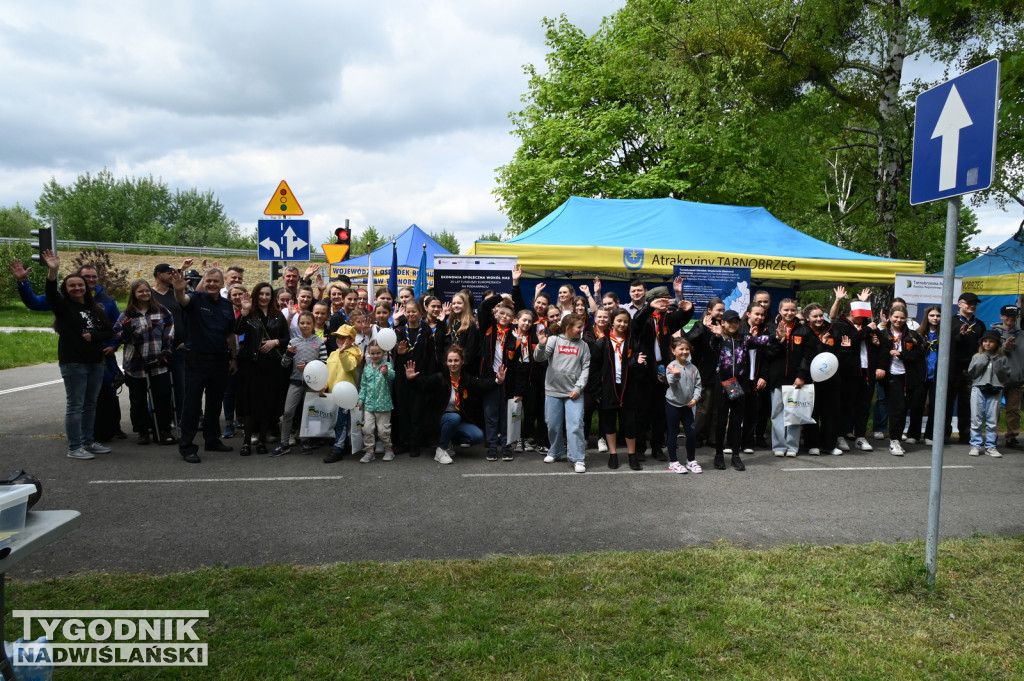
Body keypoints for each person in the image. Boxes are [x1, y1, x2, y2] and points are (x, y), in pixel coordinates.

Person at [41, 249, 114, 460]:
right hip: (74, 363)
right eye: (72, 285)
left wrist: (94, 335)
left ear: (86, 288)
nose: (77, 288)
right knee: (76, 405)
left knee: (91, 404)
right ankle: (74, 447)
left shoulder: (94, 308)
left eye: (80, 285)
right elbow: (50, 294)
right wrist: (53, 271)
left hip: (95, 362)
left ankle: (88, 442)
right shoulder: (63, 307)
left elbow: (109, 330)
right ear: (67, 288)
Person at [172, 266, 238, 463]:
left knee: (214, 404)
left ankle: (212, 440)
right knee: (191, 405)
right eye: (208, 280)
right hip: (197, 361)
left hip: (220, 361)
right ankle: (187, 446)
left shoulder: (227, 305)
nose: (211, 284)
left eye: (215, 281)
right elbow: (181, 300)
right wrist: (178, 289)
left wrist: (234, 358)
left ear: (221, 283)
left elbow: (230, 335)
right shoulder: (195, 299)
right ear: (204, 281)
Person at [111, 279, 176, 446]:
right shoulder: (127, 315)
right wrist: (125, 333)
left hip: (158, 361)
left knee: (162, 397)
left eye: (147, 291)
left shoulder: (161, 311)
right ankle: (142, 430)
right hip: (136, 364)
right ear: (134, 294)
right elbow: (116, 335)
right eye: (140, 291)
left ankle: (163, 429)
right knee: (138, 399)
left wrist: (166, 351)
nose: (145, 294)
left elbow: (169, 330)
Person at [407, 345, 496, 464]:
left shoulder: (466, 379)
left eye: (456, 360)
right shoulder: (440, 378)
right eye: (450, 360)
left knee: (477, 435)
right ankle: (441, 449)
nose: (453, 364)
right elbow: (423, 385)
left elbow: (481, 385)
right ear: (446, 362)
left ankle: (448, 441)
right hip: (440, 421)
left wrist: (497, 381)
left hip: (457, 421)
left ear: (462, 361)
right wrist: (412, 379)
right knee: (454, 417)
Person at [706, 309, 771, 470]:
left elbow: (762, 341)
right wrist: (716, 335)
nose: (733, 324)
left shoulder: (745, 338)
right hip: (723, 383)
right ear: (723, 323)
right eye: (729, 322)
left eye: (736, 321)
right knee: (721, 421)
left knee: (736, 420)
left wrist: (779, 336)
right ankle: (718, 455)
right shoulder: (719, 338)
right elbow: (712, 346)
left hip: (737, 384)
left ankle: (736, 455)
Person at [234, 283, 290, 455]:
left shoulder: (277, 315)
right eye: (261, 294)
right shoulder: (249, 314)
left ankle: (262, 440)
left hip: (271, 366)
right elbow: (237, 330)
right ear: (256, 295)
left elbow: (286, 338)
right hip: (251, 365)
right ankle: (246, 442)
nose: (264, 297)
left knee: (267, 403)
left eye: (267, 294)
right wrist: (244, 311)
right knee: (250, 404)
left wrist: (276, 342)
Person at [535, 313, 591, 473]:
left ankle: (578, 458)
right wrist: (541, 345)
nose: (582, 330)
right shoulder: (554, 340)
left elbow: (586, 368)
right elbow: (539, 358)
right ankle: (556, 451)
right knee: (552, 425)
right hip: (553, 391)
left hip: (573, 393)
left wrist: (578, 388)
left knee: (575, 426)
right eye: (579, 327)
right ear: (568, 328)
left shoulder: (583, 345)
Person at [592, 308, 646, 470]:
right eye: (619, 320)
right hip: (608, 387)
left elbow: (640, 366)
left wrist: (635, 363)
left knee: (630, 423)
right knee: (609, 422)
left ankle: (632, 455)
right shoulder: (603, 342)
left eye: (625, 321)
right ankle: (613, 454)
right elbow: (594, 368)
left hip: (628, 388)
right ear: (612, 322)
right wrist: (596, 390)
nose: (622, 324)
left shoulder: (632, 341)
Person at [272, 311, 328, 457]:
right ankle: (284, 443)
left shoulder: (319, 342)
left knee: (309, 413)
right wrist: (289, 354)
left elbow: (324, 363)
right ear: (298, 324)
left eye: (308, 323)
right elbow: (284, 364)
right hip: (295, 381)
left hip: (312, 383)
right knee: (288, 412)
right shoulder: (293, 342)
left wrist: (309, 366)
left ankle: (305, 440)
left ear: (313, 324)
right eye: (302, 323)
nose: (305, 325)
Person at [876, 306, 925, 456]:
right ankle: (895, 440)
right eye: (896, 317)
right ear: (890, 316)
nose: (898, 320)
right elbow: (877, 354)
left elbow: (918, 356)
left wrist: (901, 354)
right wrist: (880, 367)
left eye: (902, 318)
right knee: (896, 408)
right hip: (891, 376)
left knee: (904, 408)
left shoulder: (913, 335)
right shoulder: (882, 334)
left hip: (908, 376)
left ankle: (897, 437)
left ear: (906, 319)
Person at [476, 293, 520, 461]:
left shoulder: (514, 338)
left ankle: (506, 445)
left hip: (507, 382)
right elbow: (483, 307)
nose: (504, 317)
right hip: (489, 379)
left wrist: (517, 389)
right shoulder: (488, 328)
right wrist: (501, 297)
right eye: (502, 313)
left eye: (508, 315)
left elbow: (517, 367)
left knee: (507, 415)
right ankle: (493, 445)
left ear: (513, 319)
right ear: (496, 314)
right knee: (490, 414)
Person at [767, 298, 811, 457]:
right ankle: (779, 445)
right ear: (779, 310)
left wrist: (801, 375)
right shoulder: (772, 328)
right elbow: (768, 354)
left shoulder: (804, 330)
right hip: (777, 378)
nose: (789, 313)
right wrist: (779, 340)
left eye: (792, 310)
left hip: (795, 380)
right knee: (777, 413)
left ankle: (792, 446)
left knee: (793, 413)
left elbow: (807, 356)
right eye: (786, 310)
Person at [947, 291, 986, 443]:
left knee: (968, 404)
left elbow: (983, 347)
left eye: (974, 303)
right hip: (952, 369)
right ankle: (944, 434)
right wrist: (959, 336)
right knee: (947, 402)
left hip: (971, 371)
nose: (972, 306)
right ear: (960, 304)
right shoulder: (951, 321)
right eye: (968, 303)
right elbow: (945, 344)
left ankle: (965, 435)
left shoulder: (979, 324)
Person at [151, 263, 188, 420]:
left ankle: (180, 418)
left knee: (181, 387)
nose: (173, 275)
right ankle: (158, 420)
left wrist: (187, 340)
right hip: (156, 350)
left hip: (179, 348)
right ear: (159, 274)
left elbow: (188, 317)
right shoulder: (150, 295)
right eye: (169, 273)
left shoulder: (176, 294)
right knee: (158, 388)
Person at [967, 330, 1012, 457]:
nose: (987, 344)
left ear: (997, 344)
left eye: (991, 341)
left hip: (995, 390)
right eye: (985, 341)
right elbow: (973, 373)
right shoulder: (977, 356)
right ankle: (975, 445)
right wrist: (983, 359)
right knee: (976, 418)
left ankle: (991, 446)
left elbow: (1005, 376)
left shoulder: (1002, 358)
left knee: (992, 420)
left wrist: (996, 362)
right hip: (979, 388)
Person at [323, 324, 363, 463]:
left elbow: (349, 366)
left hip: (346, 395)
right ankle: (344, 444)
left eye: (344, 338)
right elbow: (328, 372)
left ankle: (338, 449)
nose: (340, 340)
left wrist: (343, 352)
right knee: (337, 421)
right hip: (333, 394)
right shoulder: (333, 353)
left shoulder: (355, 353)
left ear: (352, 340)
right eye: (339, 337)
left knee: (341, 422)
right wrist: (324, 385)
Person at [665, 337, 702, 473]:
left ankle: (691, 460)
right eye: (681, 349)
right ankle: (673, 462)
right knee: (673, 433)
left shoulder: (693, 368)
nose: (684, 352)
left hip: (688, 406)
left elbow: (698, 385)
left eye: (687, 349)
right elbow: (671, 383)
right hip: (673, 405)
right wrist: (676, 375)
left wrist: (696, 398)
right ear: (673, 351)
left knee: (691, 434)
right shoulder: (671, 366)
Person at [356, 340, 395, 462]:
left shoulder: (386, 366)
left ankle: (388, 449)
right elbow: (363, 386)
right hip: (369, 405)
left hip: (383, 405)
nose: (375, 355)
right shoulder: (367, 369)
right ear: (368, 353)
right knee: (367, 429)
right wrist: (361, 400)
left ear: (383, 352)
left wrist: (386, 373)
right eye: (373, 353)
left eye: (378, 353)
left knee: (383, 431)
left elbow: (392, 377)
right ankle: (369, 451)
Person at [990, 304, 1023, 448]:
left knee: (1013, 410)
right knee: (994, 409)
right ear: (1001, 316)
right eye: (1007, 315)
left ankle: (1011, 437)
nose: (1010, 318)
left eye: (1013, 316)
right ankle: (992, 437)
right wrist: (1004, 348)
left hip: (1016, 379)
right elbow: (988, 354)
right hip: (997, 378)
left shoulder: (1022, 335)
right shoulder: (993, 333)